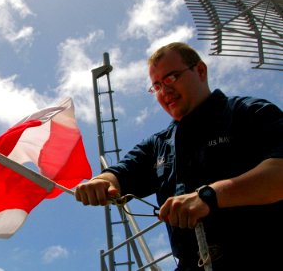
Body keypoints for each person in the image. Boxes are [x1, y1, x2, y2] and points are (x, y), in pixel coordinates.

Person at [75, 42, 283, 270]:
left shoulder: (249, 113)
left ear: (200, 71)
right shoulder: (158, 144)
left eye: (171, 78)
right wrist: (101, 182)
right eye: (156, 86)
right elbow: (122, 172)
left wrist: (208, 196)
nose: (164, 91)